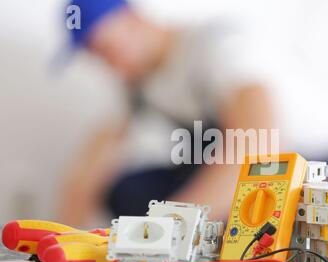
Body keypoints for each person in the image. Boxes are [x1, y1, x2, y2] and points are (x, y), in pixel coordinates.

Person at [58, 0, 279, 226]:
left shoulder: (218, 46)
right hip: (219, 165)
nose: (109, 66)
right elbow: (94, 161)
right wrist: (66, 238)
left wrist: (165, 226)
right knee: (128, 191)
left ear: (133, 20)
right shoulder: (138, 84)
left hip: (284, 166)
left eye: (107, 50)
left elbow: (257, 148)